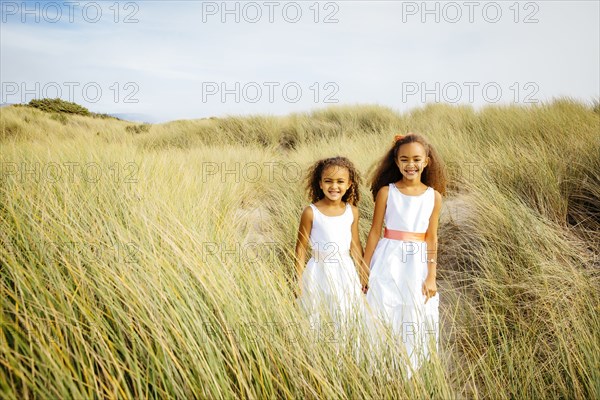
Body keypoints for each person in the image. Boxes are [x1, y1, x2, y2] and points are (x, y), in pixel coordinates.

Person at [364, 133, 446, 377]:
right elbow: (374, 233)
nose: (411, 164)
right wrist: (364, 268)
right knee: (383, 307)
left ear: (427, 161)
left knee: (413, 311)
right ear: (397, 162)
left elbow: (432, 237)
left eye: (416, 159)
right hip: (388, 257)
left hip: (417, 261)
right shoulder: (386, 193)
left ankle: (407, 371)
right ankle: (380, 369)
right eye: (404, 159)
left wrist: (431, 275)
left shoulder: (434, 197)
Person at [294, 156, 369, 345]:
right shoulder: (311, 212)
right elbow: (300, 249)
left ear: (349, 184)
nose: (334, 186)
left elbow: (355, 245)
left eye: (340, 182)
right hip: (318, 270)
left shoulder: (352, 211)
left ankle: (343, 353)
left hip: (344, 270)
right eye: (328, 181)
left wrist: (362, 273)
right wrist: (298, 280)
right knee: (317, 313)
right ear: (320, 184)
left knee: (344, 312)